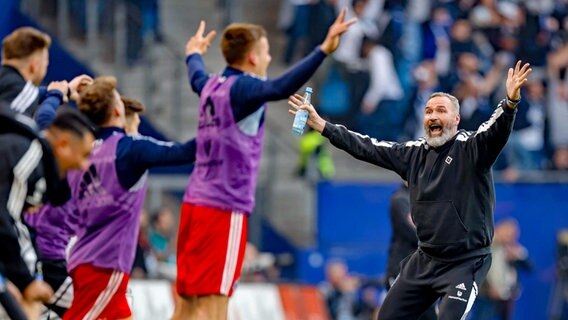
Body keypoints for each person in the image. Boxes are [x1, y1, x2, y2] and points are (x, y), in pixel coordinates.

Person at [287, 61, 532, 319]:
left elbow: (496, 130)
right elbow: (367, 147)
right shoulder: (412, 154)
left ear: (456, 119)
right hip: (426, 259)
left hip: (466, 261)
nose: (433, 116)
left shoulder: (472, 149)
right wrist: (324, 126)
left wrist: (510, 102)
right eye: (428, 111)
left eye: (441, 110)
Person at [175, 10, 355, 319]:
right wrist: (322, 50)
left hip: (194, 203)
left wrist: (192, 53)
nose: (270, 57)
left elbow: (195, 76)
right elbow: (278, 89)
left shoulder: (211, 86)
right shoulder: (244, 89)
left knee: (188, 304)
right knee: (216, 303)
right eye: (267, 51)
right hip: (223, 207)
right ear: (253, 58)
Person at [62, 77, 196, 320]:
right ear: (117, 110)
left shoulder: (81, 152)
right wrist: (221, 123)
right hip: (106, 261)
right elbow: (184, 152)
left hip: (84, 256)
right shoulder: (129, 149)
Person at [0, 106, 94, 319]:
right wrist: (26, 281)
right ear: (63, 145)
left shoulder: (35, 160)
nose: (85, 164)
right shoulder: (29, 156)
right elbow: (4, 219)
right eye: (85, 155)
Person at [385, 181, 437, 320]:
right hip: (402, 270)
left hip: (422, 272)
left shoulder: (424, 199)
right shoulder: (400, 199)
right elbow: (415, 233)